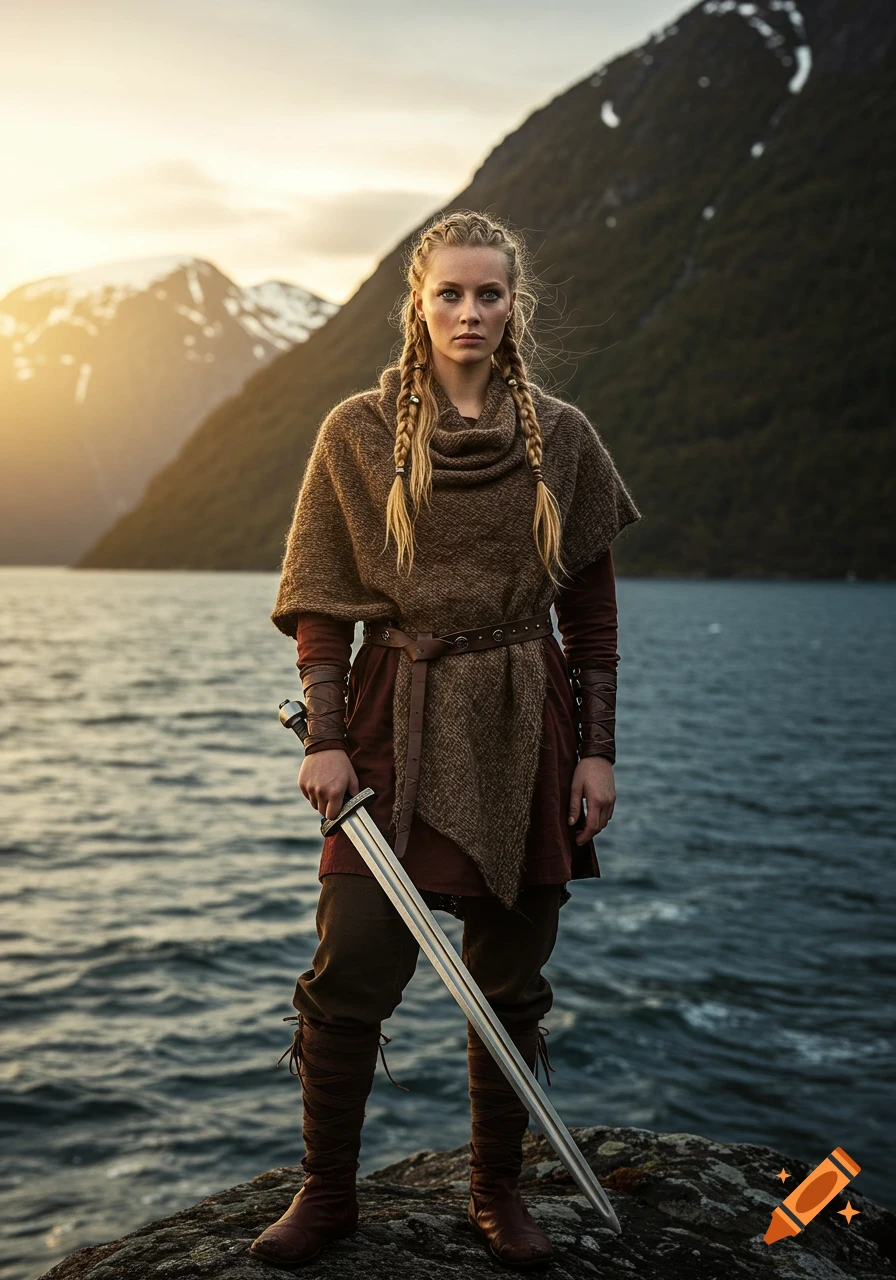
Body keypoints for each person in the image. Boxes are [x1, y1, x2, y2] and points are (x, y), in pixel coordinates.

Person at [250, 209, 641, 1270]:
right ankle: (328, 1193)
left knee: (509, 980)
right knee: (349, 967)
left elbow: (591, 618)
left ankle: (495, 1191)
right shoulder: (356, 432)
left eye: (489, 293)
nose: (470, 311)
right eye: (450, 294)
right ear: (418, 306)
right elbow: (323, 605)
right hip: (392, 713)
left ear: (515, 306)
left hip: (526, 716)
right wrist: (326, 737)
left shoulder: (563, 437)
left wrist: (597, 750)